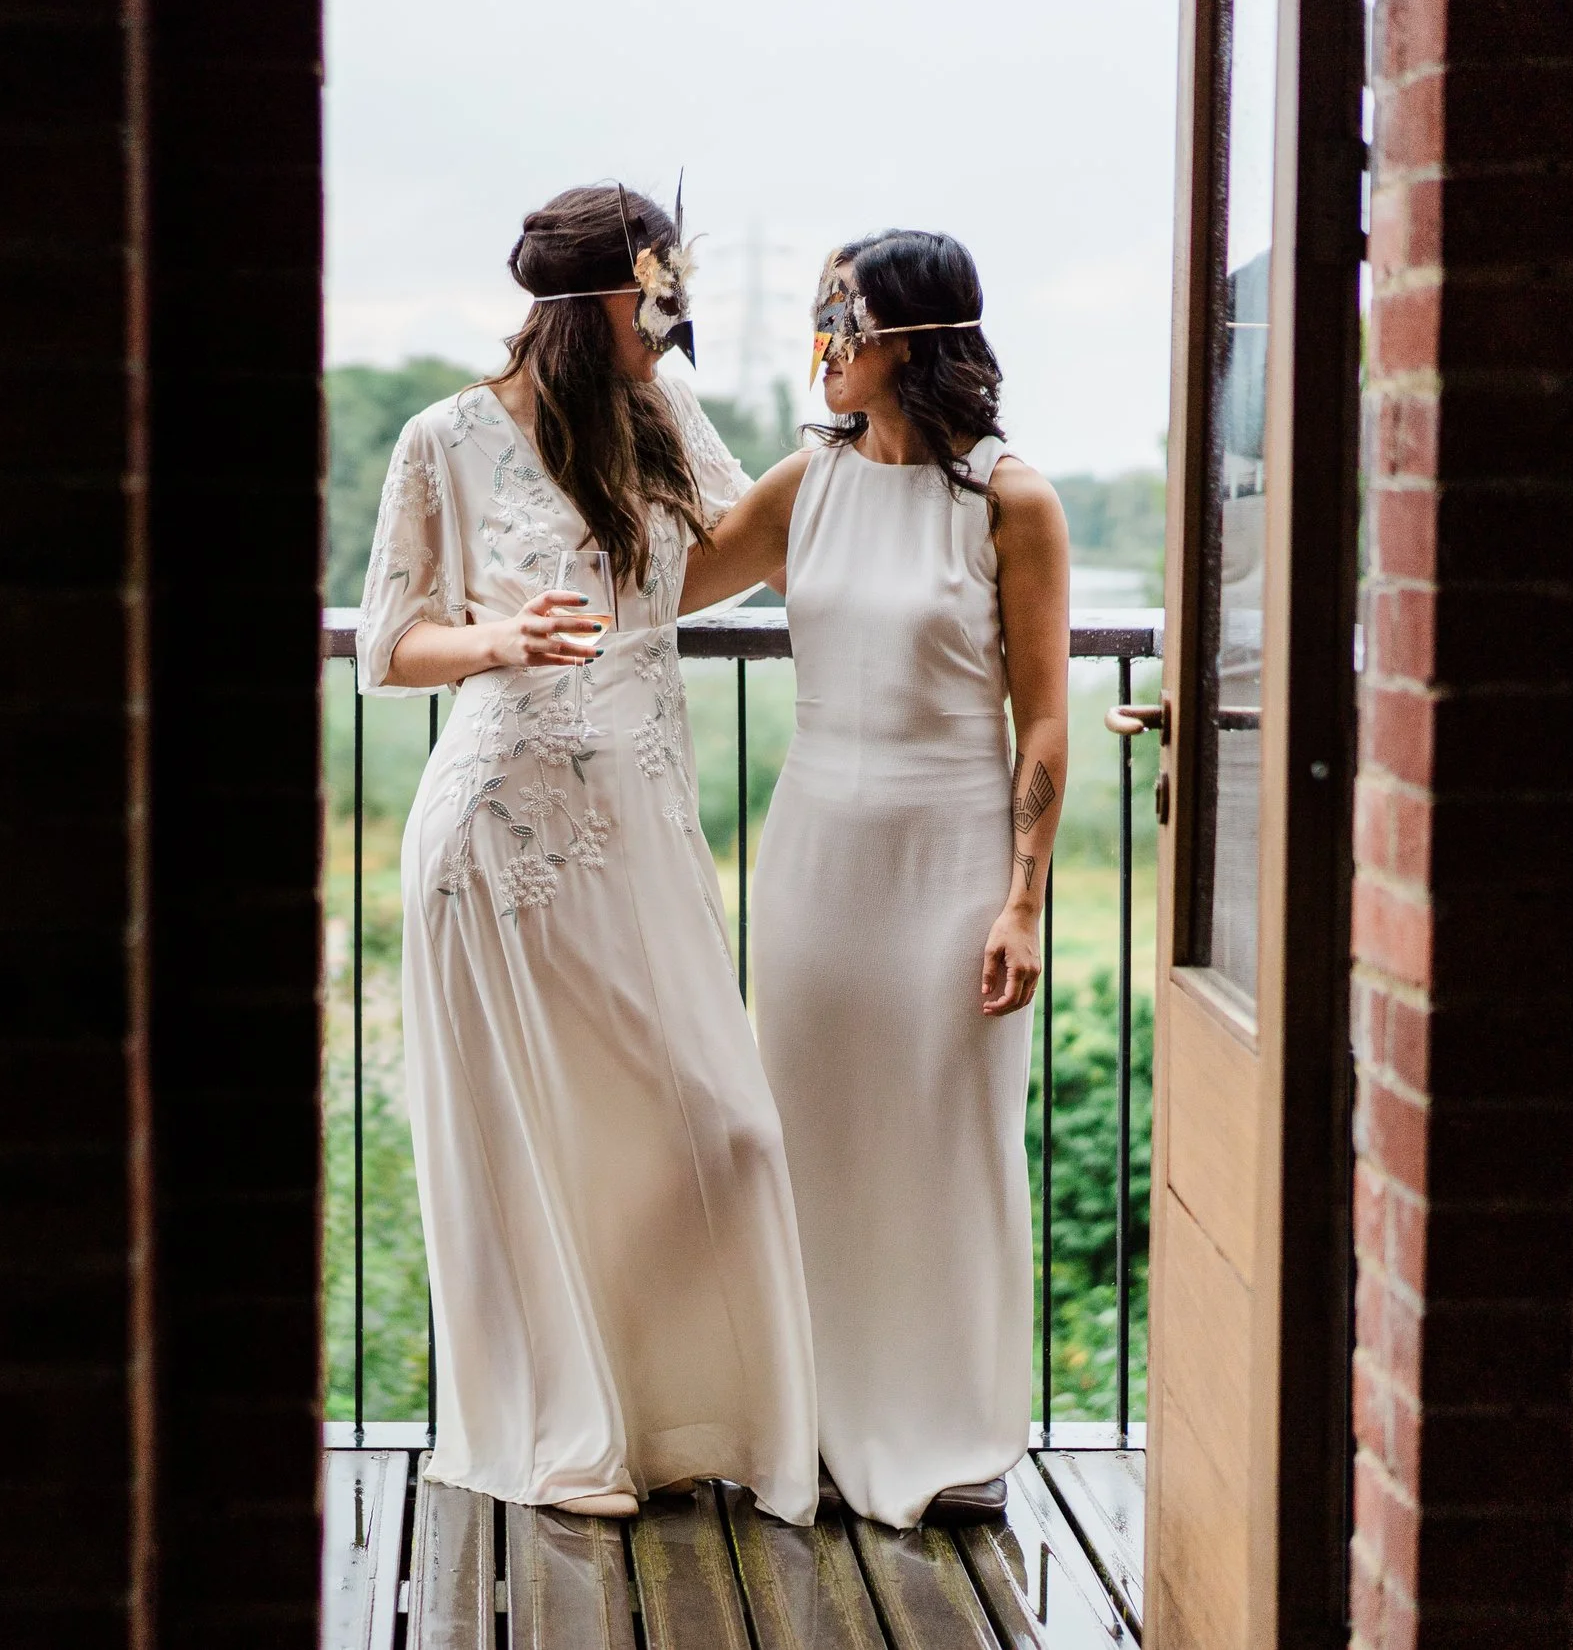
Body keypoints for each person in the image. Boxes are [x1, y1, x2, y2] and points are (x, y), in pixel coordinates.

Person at [358, 184, 818, 1525]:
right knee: (535, 1143)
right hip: (499, 834)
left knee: (711, 1127)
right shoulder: (442, 438)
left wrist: (830, 457)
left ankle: (691, 1417)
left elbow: (722, 564)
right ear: (588, 302)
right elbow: (390, 645)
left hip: (643, 822)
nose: (670, 330)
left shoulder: (665, 416)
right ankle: (575, 1432)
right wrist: (498, 640)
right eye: (652, 302)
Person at [682, 230, 1071, 1528]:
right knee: (813, 1144)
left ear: (904, 335)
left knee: (950, 1145)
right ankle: (816, 1420)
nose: (822, 342)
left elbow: (1049, 719)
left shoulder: (1008, 500)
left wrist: (1023, 898)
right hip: (817, 860)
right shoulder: (811, 481)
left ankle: (953, 1432)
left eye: (838, 317)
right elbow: (674, 581)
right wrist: (648, 412)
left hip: (949, 856)